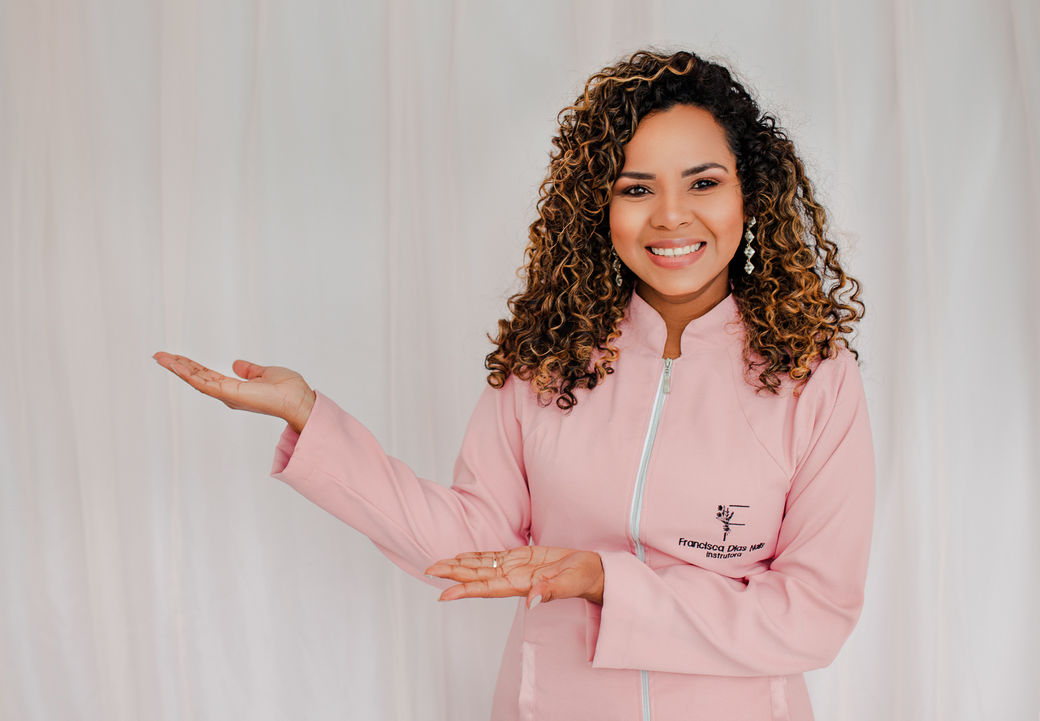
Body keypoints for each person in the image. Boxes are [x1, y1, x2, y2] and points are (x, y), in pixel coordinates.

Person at [153, 49, 875, 721]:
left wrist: (603, 579)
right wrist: (311, 419)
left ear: (750, 194)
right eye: (636, 189)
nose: (670, 216)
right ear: (600, 208)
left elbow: (812, 616)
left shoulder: (813, 376)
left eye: (704, 183)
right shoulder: (551, 360)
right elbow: (471, 543)